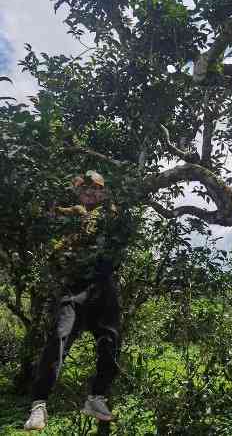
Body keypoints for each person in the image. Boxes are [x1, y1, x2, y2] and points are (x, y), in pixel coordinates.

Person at [24, 170, 131, 431]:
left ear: (103, 192)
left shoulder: (110, 213)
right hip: (75, 287)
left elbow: (121, 220)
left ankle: (97, 397)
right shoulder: (79, 213)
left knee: (110, 341)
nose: (89, 194)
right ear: (80, 194)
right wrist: (52, 211)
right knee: (59, 336)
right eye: (85, 190)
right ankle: (39, 404)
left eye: (95, 189)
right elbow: (61, 211)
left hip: (103, 286)